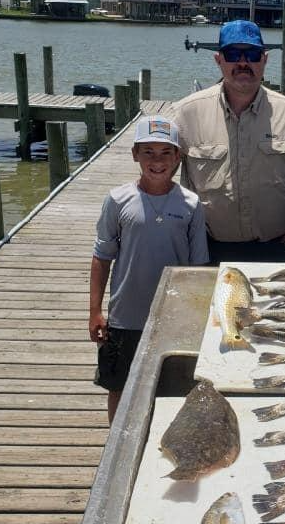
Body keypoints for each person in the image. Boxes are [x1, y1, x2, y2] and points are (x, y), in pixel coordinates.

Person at [167, 20, 285, 264]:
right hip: (205, 249)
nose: (242, 63)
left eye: (251, 54)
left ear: (265, 59)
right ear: (218, 60)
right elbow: (158, 176)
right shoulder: (185, 114)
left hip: (275, 249)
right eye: (232, 54)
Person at [89, 116, 209, 423]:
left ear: (177, 157)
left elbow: (198, 268)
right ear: (134, 154)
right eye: (149, 153)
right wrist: (95, 311)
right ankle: (115, 445)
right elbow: (102, 257)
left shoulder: (192, 204)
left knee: (175, 388)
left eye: (165, 153)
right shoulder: (117, 200)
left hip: (175, 317)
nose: (157, 161)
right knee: (118, 387)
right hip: (125, 316)